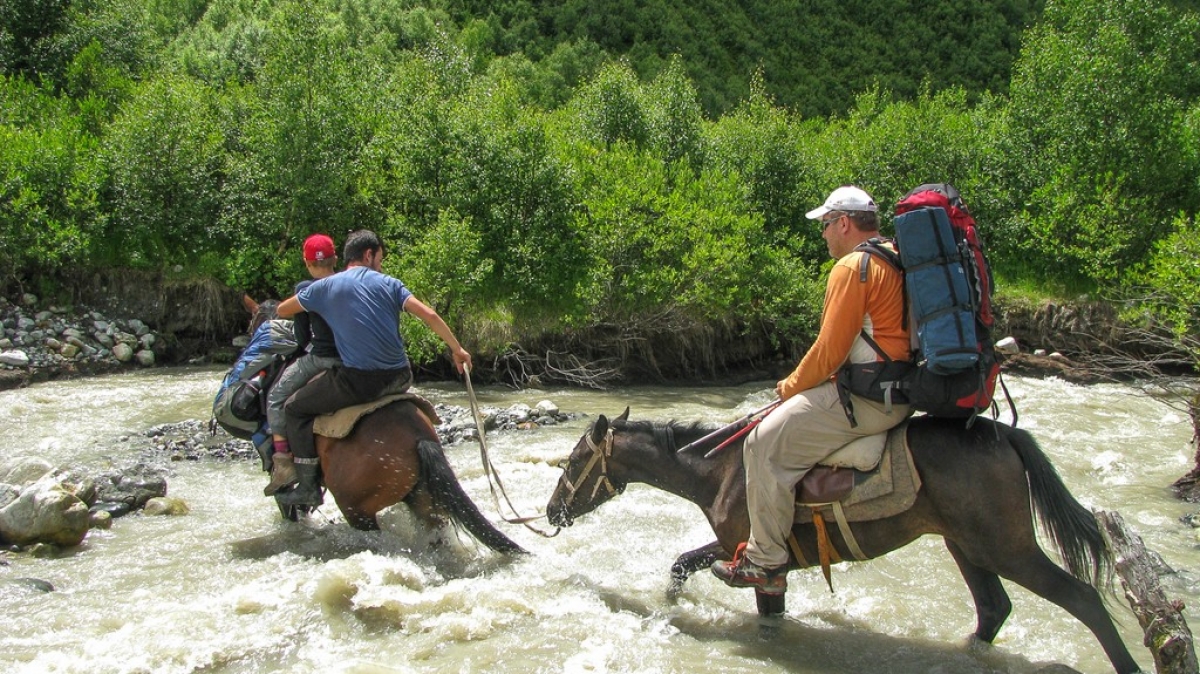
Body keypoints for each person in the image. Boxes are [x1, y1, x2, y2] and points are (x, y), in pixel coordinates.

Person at [711, 185, 912, 595]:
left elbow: (829, 352)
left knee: (761, 443)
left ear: (843, 223)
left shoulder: (853, 267)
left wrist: (789, 387)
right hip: (901, 392)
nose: (822, 234)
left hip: (870, 400)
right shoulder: (895, 256)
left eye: (825, 224)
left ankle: (765, 562)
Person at [273, 229, 472, 507]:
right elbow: (429, 314)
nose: (381, 263)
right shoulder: (390, 283)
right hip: (401, 376)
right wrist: (457, 350)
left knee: (294, 408)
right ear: (369, 254)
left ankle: (307, 487)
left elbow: (282, 310)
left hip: (362, 381)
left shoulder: (325, 287)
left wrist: (314, 303)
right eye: (380, 257)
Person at [262, 233, 341, 496]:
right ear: (336, 259)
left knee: (276, 397)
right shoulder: (350, 283)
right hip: (355, 359)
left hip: (321, 359)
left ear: (307, 263)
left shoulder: (304, 290)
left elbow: (302, 337)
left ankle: (284, 461)